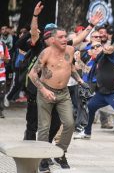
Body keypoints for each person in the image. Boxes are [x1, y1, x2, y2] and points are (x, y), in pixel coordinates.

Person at [28, 27, 85, 170]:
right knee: (44, 128)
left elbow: (70, 68)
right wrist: (44, 90)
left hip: (63, 93)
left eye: (65, 36)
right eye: (60, 37)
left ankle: (60, 153)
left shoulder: (70, 51)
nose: (64, 39)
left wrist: (80, 81)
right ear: (53, 40)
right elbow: (32, 74)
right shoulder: (46, 53)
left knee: (70, 123)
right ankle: (43, 158)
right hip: (46, 92)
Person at [73, 41, 114, 139]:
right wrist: (78, 60)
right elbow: (87, 70)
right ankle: (87, 133)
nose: (96, 48)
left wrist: (110, 49)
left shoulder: (107, 56)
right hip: (102, 93)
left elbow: (110, 50)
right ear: (90, 52)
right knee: (90, 107)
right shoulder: (95, 61)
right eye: (93, 47)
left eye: (98, 46)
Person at [0, 40, 10, 118]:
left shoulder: (3, 44)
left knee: (1, 94)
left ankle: (0, 111)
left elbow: (7, 60)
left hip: (1, 74)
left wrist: (4, 58)